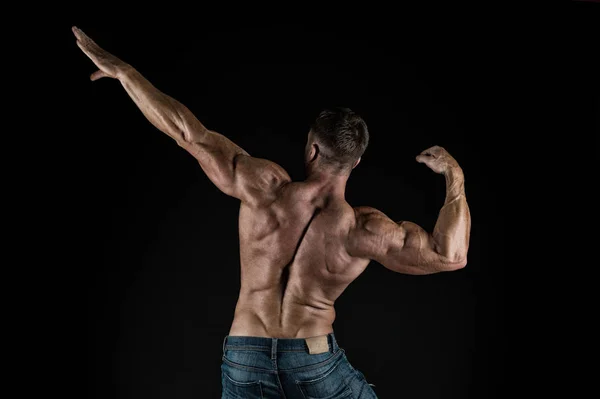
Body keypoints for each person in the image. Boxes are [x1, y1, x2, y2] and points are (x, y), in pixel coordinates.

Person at [73, 26, 471, 398]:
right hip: (314, 359)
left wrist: (125, 73)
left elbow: (187, 132)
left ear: (311, 148)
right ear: (355, 164)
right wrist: (455, 174)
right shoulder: (363, 229)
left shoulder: (263, 188)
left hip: (245, 353)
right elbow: (451, 255)